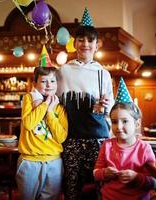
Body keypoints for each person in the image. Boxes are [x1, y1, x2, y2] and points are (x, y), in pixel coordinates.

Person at [57, 25, 114, 199]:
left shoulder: (104, 73)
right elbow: (56, 103)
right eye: (81, 40)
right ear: (74, 44)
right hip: (71, 137)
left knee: (100, 186)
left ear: (97, 45)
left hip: (98, 137)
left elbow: (111, 107)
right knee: (71, 186)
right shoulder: (63, 71)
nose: (85, 44)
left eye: (90, 40)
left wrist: (106, 105)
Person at [16, 66, 68, 200]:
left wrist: (50, 111)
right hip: (29, 160)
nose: (49, 84)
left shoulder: (60, 107)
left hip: (54, 161)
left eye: (53, 81)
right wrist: (45, 106)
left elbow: (61, 137)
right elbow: (28, 124)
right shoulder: (28, 99)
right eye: (44, 81)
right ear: (35, 84)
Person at [93, 102, 156, 200]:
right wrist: (104, 173)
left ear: (137, 124)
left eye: (124, 121)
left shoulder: (145, 149)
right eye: (114, 122)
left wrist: (136, 177)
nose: (119, 127)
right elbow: (96, 174)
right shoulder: (106, 145)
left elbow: (154, 182)